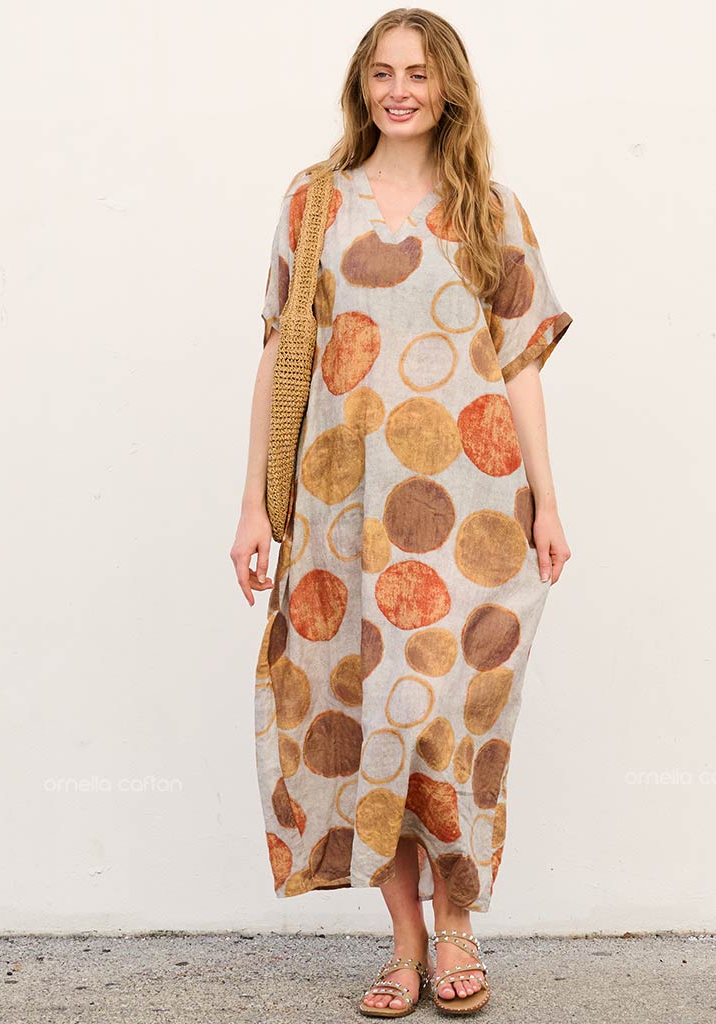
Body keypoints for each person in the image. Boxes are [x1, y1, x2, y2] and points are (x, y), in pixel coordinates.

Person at [231, 7, 573, 1016]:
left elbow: (519, 364)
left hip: (472, 511)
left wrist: (548, 501)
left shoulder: (490, 211)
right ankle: (407, 940)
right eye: (381, 72)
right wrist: (252, 507)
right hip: (340, 507)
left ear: (448, 86)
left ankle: (457, 922)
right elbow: (277, 357)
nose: (399, 89)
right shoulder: (313, 204)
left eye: (417, 72)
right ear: (361, 86)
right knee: (365, 708)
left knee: (446, 715)